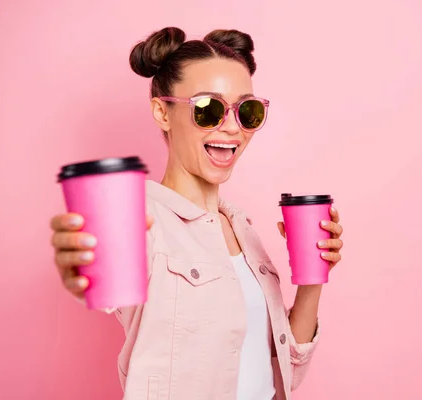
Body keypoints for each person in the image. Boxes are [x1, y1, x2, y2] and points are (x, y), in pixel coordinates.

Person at [49, 27, 344, 400]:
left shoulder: (241, 229)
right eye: (208, 109)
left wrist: (314, 276)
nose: (233, 127)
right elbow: (97, 271)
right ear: (162, 112)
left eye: (247, 111)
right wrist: (80, 262)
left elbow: (287, 370)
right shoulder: (142, 219)